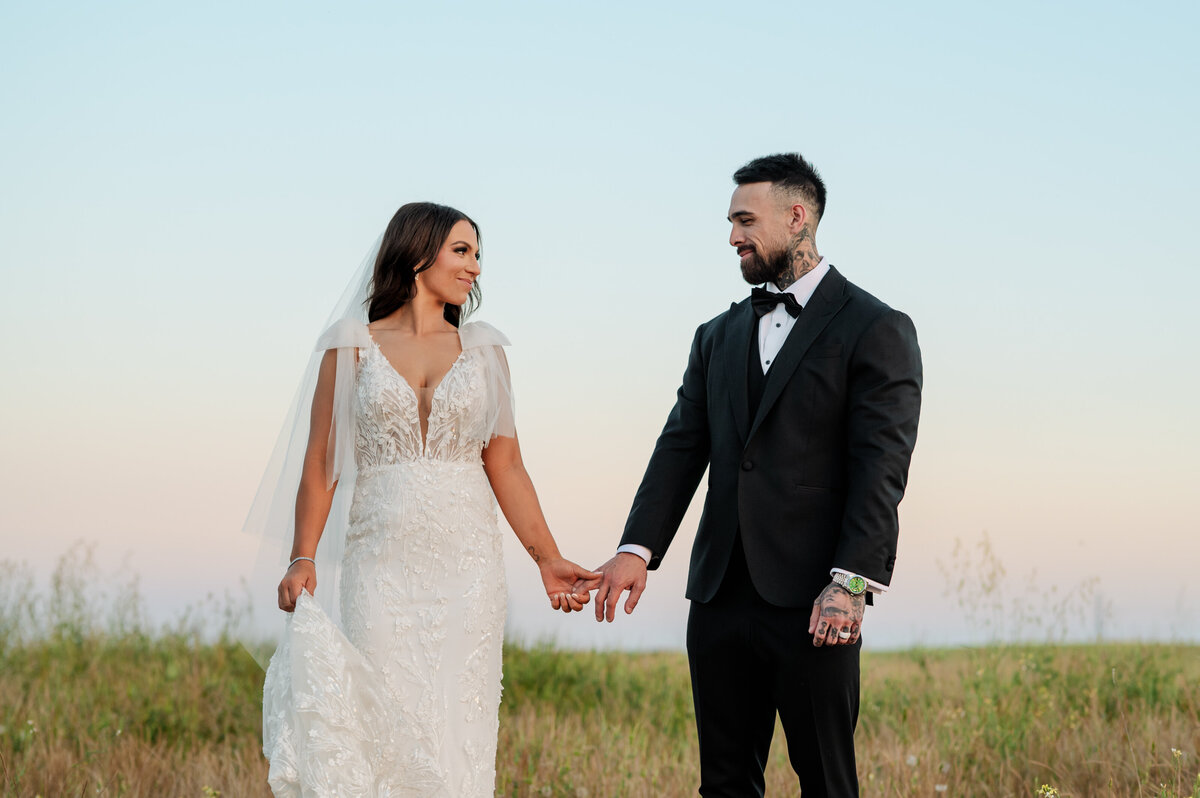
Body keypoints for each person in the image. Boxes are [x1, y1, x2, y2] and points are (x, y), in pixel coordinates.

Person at [587, 154, 923, 796]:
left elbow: (881, 467)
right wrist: (637, 549)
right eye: (731, 221)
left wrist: (850, 581)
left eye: (745, 220)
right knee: (724, 783)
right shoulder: (715, 336)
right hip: (717, 597)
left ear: (797, 217)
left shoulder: (876, 328)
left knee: (826, 780)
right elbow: (680, 447)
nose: (733, 237)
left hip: (814, 598)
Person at [256, 202, 599, 797]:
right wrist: (302, 555)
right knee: (384, 726)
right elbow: (321, 461)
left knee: (458, 730)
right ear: (418, 253)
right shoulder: (350, 345)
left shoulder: (485, 351)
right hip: (379, 566)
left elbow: (507, 464)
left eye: (477, 255)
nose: (475, 269)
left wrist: (547, 557)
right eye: (462, 251)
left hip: (468, 571)